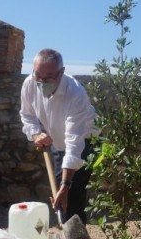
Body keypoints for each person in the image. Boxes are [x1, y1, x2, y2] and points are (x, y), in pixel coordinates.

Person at [20, 48, 97, 224]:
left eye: (49, 77)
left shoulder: (75, 93)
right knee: (59, 189)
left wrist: (65, 185)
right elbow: (27, 115)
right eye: (38, 75)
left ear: (61, 72)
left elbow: (74, 143)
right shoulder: (30, 84)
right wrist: (35, 133)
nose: (41, 81)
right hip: (57, 141)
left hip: (84, 141)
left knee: (72, 192)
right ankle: (67, 232)